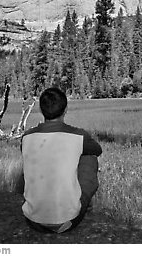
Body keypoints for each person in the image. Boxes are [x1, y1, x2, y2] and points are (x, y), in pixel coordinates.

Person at [21, 87, 102, 233]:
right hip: (69, 220)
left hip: (32, 219)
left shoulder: (27, 137)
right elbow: (97, 150)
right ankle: (75, 205)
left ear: (41, 110)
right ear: (65, 110)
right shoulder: (79, 135)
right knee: (89, 156)